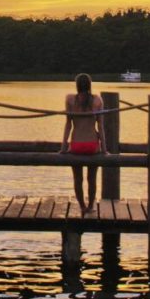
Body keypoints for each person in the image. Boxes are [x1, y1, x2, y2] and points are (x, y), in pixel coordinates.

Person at [60, 73, 105, 214]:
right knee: (92, 179)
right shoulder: (97, 100)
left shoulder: (70, 100)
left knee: (77, 179)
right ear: (90, 85)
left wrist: (63, 147)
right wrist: (104, 149)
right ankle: (91, 206)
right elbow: (101, 127)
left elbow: (68, 125)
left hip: (76, 146)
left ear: (77, 85)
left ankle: (82, 206)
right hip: (92, 146)